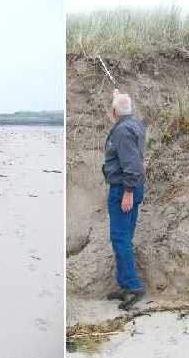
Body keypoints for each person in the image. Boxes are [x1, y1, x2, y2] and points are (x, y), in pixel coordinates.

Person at [102, 89, 147, 311]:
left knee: (119, 238)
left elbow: (132, 165)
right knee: (125, 237)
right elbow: (122, 108)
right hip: (132, 187)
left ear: (113, 112)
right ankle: (124, 284)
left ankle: (133, 286)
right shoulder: (135, 124)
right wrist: (118, 98)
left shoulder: (122, 131)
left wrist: (127, 192)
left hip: (123, 190)